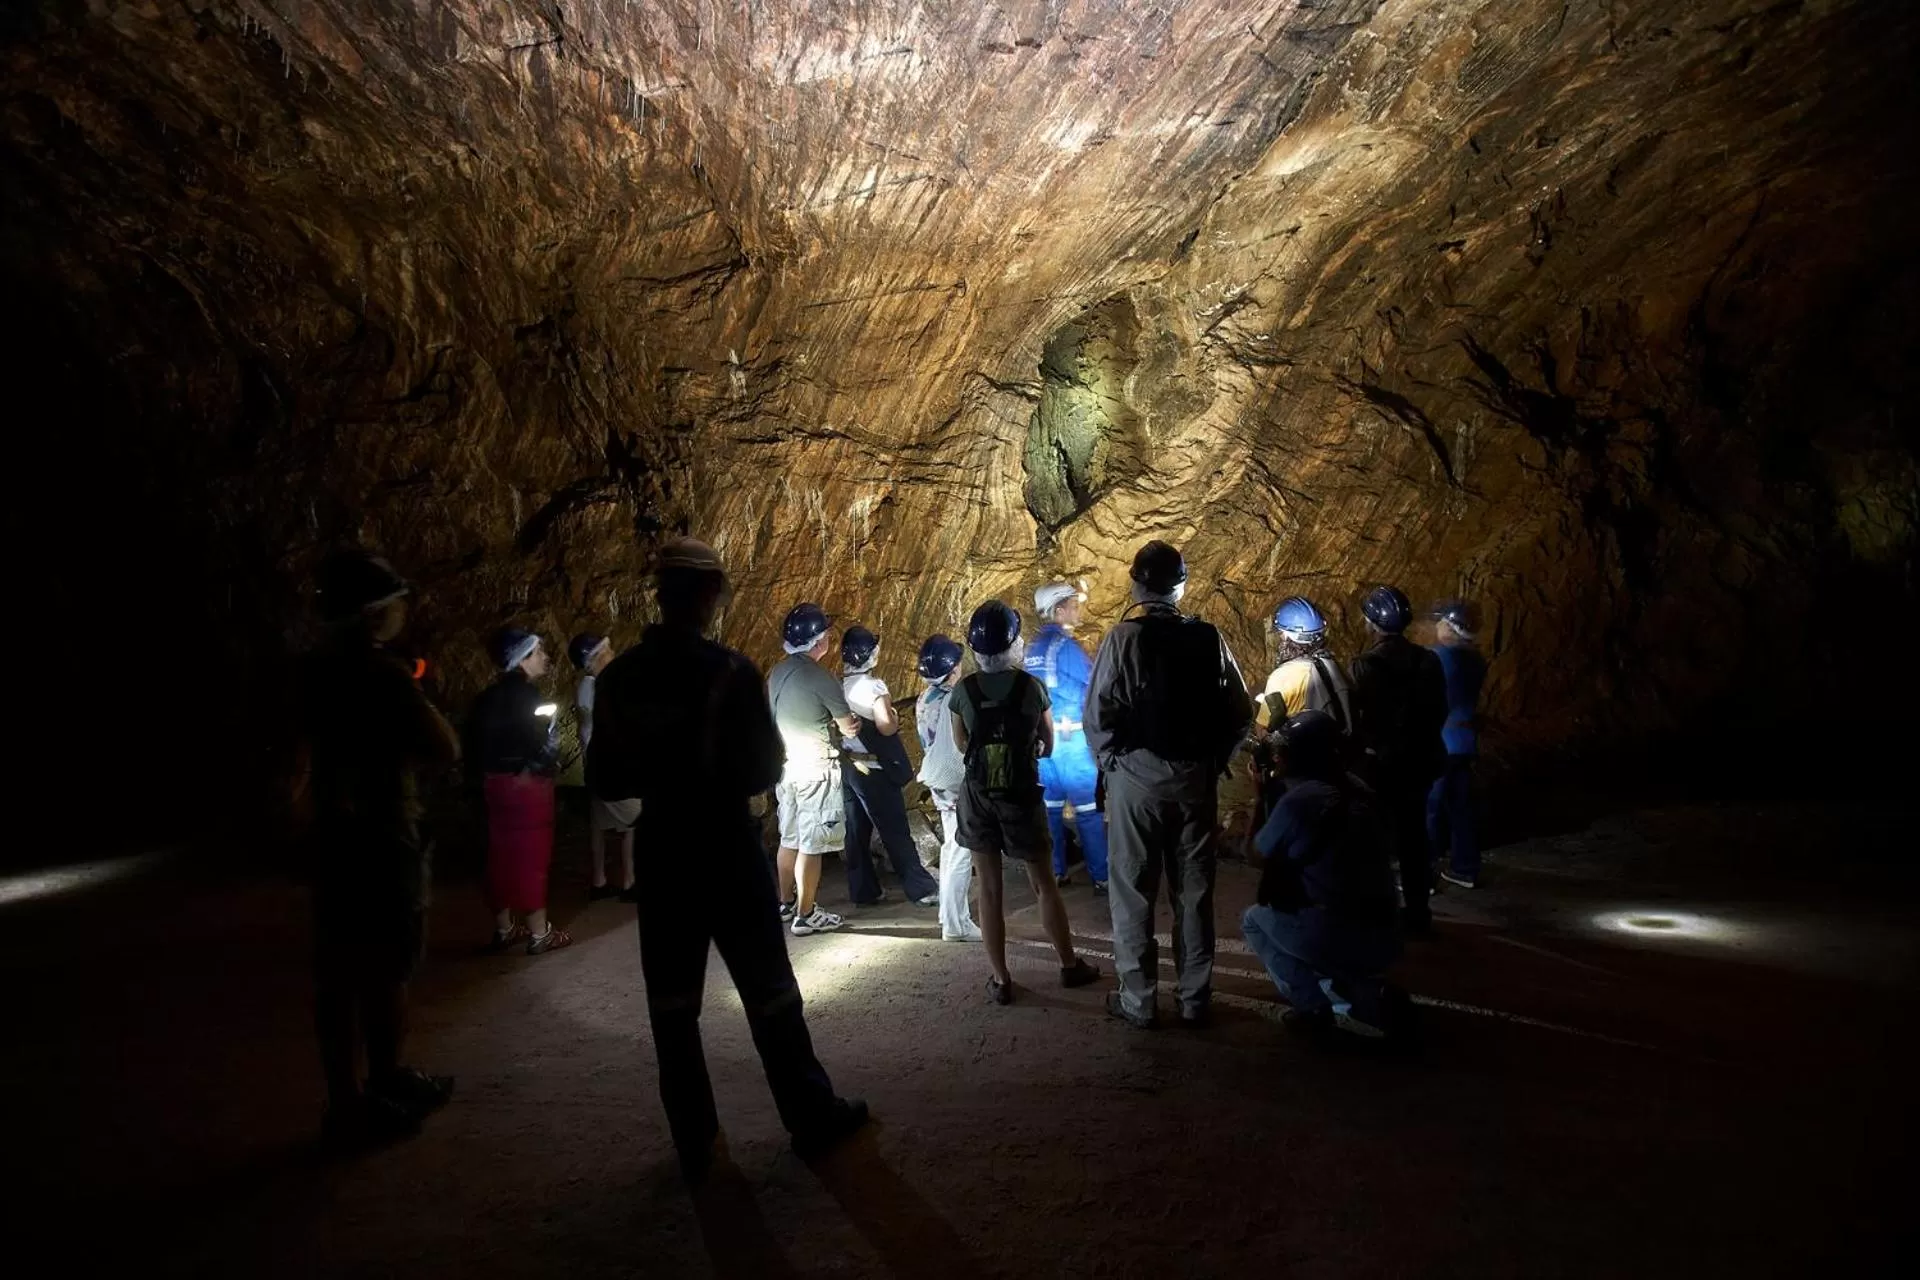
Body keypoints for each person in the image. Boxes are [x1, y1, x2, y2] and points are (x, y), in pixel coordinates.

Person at [587, 537, 869, 1179]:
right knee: (770, 992)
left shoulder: (622, 677)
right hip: (723, 845)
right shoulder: (731, 672)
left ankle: (695, 1139)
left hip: (662, 849)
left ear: (660, 595)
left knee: (673, 1003)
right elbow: (763, 767)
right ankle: (810, 1117)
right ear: (712, 595)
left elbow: (606, 776)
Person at [294, 550, 459, 1143]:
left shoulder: (309, 674)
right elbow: (443, 747)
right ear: (371, 614)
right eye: (394, 602)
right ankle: (380, 1086)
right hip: (385, 836)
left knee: (338, 969)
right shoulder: (380, 674)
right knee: (387, 966)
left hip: (333, 840)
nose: (403, 610)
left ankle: (350, 1097)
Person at [1085, 541, 1252, 1029]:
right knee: (1194, 893)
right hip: (1195, 783)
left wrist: (1115, 765)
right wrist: (1212, 761)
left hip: (1136, 781)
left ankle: (1138, 1002)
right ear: (1181, 586)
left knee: (1133, 891)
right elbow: (1240, 713)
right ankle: (1195, 999)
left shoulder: (1123, 638)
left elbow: (1098, 716)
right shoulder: (1209, 637)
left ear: (1136, 585)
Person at [950, 600, 1103, 1005]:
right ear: (1014, 643)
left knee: (990, 889)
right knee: (1042, 883)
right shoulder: (1031, 688)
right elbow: (1048, 744)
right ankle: (1069, 966)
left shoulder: (963, 690)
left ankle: (1001, 980)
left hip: (979, 796)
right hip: (1020, 793)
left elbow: (961, 743)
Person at [1239, 710, 1406, 1037]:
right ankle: (1367, 995)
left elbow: (1255, 856)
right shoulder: (1360, 789)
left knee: (1255, 919)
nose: (1277, 755)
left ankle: (1312, 1008)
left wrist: (1260, 799)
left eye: (1282, 750)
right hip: (1386, 930)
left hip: (1332, 930)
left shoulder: (1299, 802)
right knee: (1327, 920)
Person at [1349, 586, 1449, 934]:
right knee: (1414, 837)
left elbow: (1362, 722)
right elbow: (1439, 711)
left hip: (1383, 767)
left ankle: (1380, 912)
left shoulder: (1365, 666)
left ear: (1373, 623)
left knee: (1374, 840)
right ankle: (1419, 912)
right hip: (1421, 762)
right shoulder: (1429, 660)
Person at [470, 627, 572, 954]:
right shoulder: (532, 699)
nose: (545, 657)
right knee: (531, 855)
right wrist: (542, 768)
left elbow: (472, 746)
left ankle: (504, 929)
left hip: (492, 786)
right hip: (527, 789)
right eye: (538, 651)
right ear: (522, 659)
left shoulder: (484, 700)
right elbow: (545, 744)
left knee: (497, 856)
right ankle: (539, 933)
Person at [768, 603, 862, 936]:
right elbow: (848, 727)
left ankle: (785, 902)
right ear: (818, 641)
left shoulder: (776, 673)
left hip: (789, 767)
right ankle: (806, 914)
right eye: (825, 634)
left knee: (789, 837)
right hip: (817, 770)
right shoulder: (821, 677)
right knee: (813, 843)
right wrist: (853, 724)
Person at [839, 625, 940, 908]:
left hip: (850, 769)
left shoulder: (839, 686)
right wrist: (894, 716)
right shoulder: (873, 686)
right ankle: (921, 889)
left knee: (855, 831)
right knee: (895, 830)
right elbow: (885, 727)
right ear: (868, 655)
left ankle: (863, 890)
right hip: (874, 771)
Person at [1025, 581, 1109, 892]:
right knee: (1087, 811)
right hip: (1072, 741)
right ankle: (1101, 875)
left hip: (1044, 744)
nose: (1077, 610)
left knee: (1051, 811)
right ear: (1059, 610)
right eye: (1073, 605)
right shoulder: (1068, 648)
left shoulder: (1032, 650)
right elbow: (1092, 690)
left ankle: (1056, 872)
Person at [915, 635, 980, 941]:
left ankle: (948, 914)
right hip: (957, 782)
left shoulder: (924, 699)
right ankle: (956, 924)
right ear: (953, 668)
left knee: (951, 847)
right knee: (961, 850)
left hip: (939, 782)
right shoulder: (956, 697)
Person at [570, 632, 639, 902]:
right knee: (635, 819)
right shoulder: (597, 686)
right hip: (612, 767)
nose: (612, 654)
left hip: (597, 767)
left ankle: (599, 880)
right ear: (594, 658)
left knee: (599, 823)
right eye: (606, 651)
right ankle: (630, 882)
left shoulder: (586, 686)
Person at [1427, 599, 1487, 890]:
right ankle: (1465, 868)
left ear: (1450, 627)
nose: (1436, 625)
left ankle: (1422, 872)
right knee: (1461, 807)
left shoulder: (1438, 658)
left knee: (1429, 806)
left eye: (1440, 621)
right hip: (1465, 742)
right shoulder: (1476, 659)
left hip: (1441, 742)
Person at [1254, 597, 1353, 736]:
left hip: (1309, 753)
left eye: (1281, 634)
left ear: (1288, 637)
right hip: (1345, 747)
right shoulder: (1331, 664)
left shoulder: (1282, 677)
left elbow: (1262, 728)